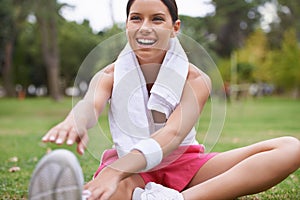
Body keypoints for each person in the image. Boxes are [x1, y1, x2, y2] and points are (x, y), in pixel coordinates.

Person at [29, 0, 300, 199]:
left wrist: (114, 172)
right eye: (136, 18)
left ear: (175, 27)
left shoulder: (196, 80)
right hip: (129, 167)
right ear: (126, 25)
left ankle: (178, 199)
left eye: (157, 19)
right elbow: (91, 104)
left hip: (186, 165)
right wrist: (74, 120)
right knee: (106, 194)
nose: (145, 28)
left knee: (290, 148)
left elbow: (172, 134)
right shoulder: (110, 74)